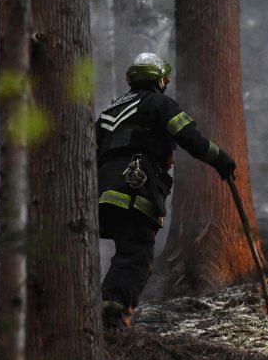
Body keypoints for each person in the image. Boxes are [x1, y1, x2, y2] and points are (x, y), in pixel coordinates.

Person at [96, 52, 236, 328]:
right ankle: (111, 320)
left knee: (125, 251)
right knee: (136, 254)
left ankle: (105, 314)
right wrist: (221, 159)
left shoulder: (107, 112)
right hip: (134, 189)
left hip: (103, 194)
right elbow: (190, 138)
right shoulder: (158, 103)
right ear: (160, 80)